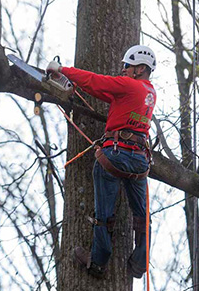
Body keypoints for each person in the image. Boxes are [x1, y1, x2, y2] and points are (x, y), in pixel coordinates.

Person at [46, 45, 157, 279]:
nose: (124, 71)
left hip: (115, 155)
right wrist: (77, 85)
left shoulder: (129, 85)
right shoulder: (149, 93)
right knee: (142, 214)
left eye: (128, 67)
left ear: (139, 69)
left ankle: (98, 261)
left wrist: (63, 69)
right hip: (139, 160)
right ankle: (139, 262)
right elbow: (104, 92)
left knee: (103, 213)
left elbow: (96, 81)